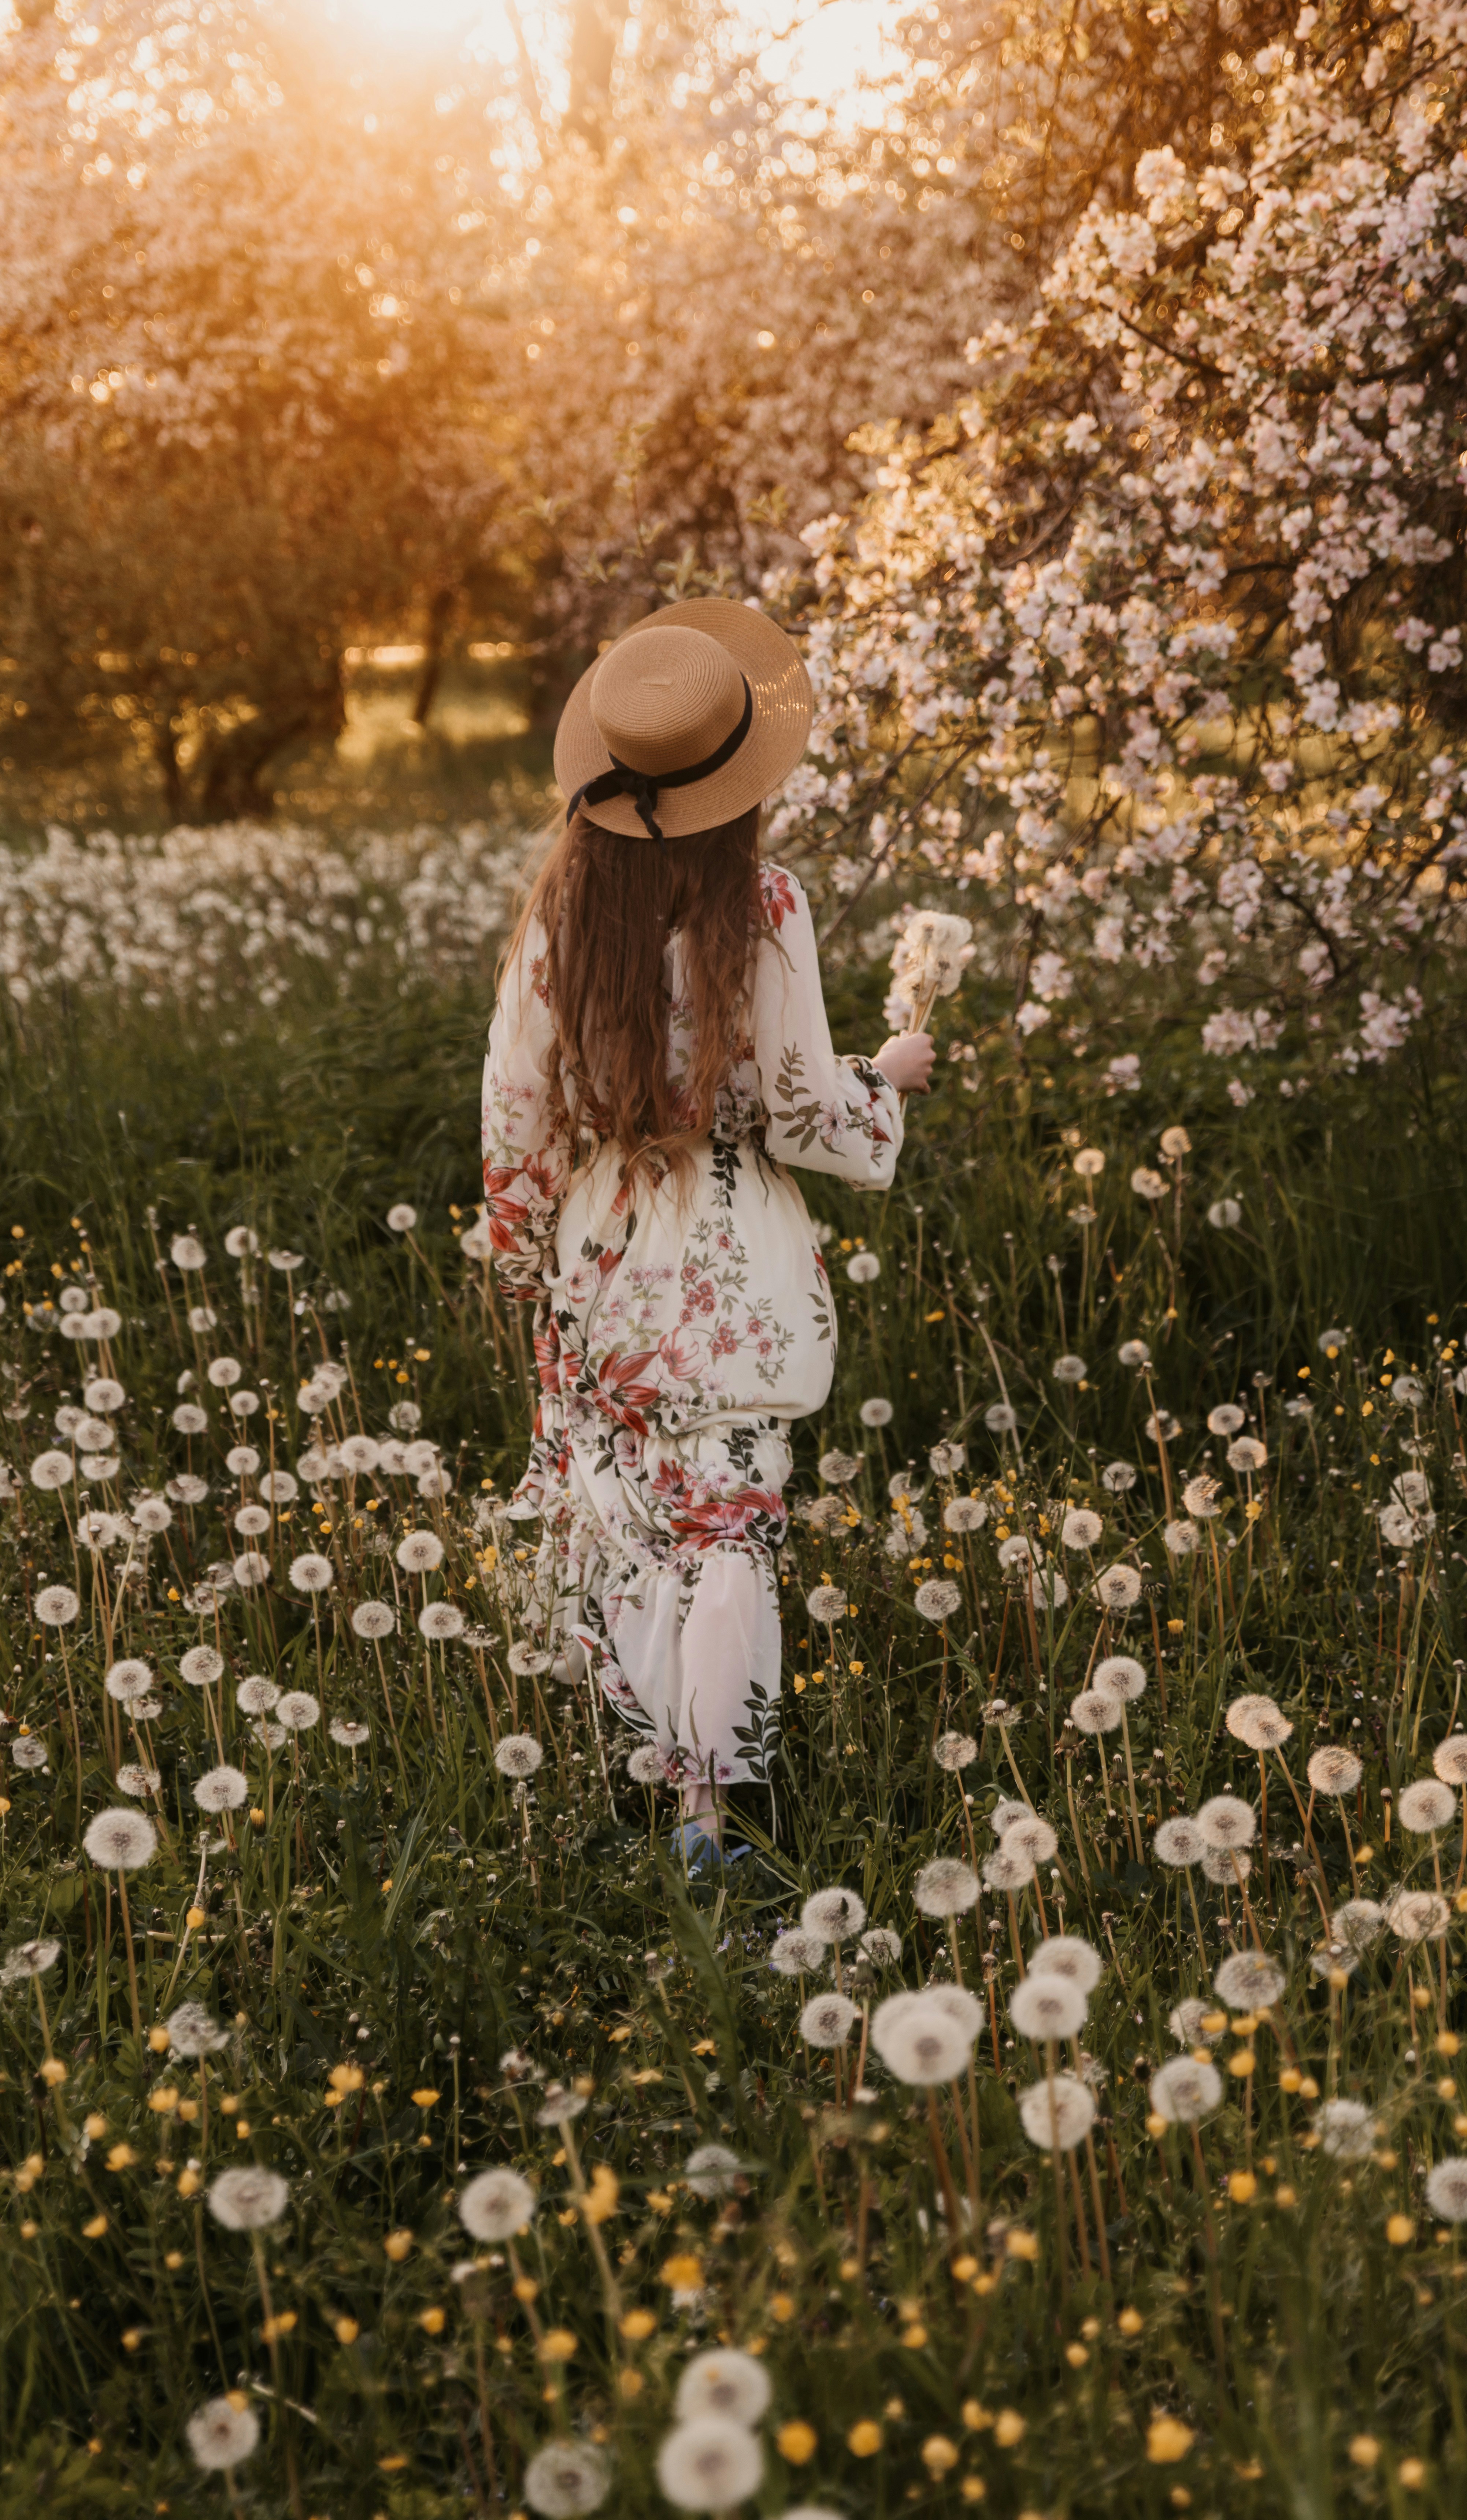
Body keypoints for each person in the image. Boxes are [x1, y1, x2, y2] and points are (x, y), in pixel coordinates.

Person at [482, 596, 934, 1866]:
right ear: (739, 781)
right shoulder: (764, 906)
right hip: (733, 1250)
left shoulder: (562, 914)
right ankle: (710, 1810)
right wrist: (886, 1078)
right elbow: (799, 1117)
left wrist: (526, 1259)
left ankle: (638, 1772)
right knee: (729, 1513)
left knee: (626, 1513)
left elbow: (515, 1114)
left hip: (604, 1247)